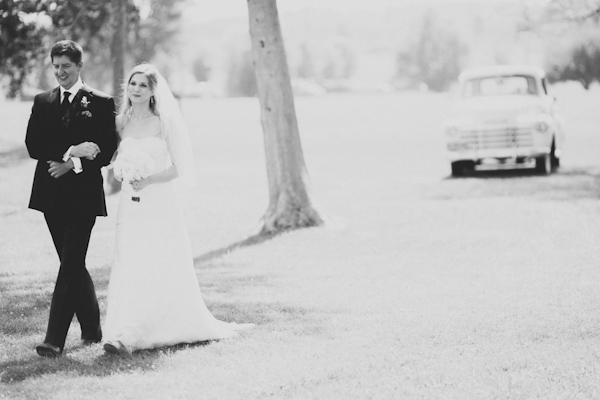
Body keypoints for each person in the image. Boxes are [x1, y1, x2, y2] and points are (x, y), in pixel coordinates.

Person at [103, 64, 253, 354]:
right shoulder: (120, 122)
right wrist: (121, 171)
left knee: (161, 259)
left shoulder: (163, 122)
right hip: (130, 206)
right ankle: (123, 330)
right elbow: (112, 160)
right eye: (133, 83)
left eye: (143, 85)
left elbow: (178, 168)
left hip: (159, 203)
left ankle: (163, 323)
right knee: (130, 260)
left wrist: (148, 179)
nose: (136, 89)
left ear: (152, 91)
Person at [25, 40, 118, 357]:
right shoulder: (42, 101)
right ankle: (92, 328)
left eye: (66, 65)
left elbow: (105, 150)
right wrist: (70, 151)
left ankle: (54, 339)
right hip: (49, 195)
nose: (60, 72)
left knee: (69, 267)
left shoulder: (102, 102)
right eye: (56, 66)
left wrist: (74, 163)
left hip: (83, 197)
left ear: (79, 66)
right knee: (72, 263)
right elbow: (34, 145)